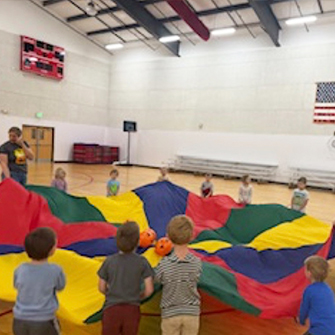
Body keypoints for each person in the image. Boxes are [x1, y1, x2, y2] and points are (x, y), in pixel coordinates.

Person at [97, 221, 154, 335]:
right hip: (132, 309)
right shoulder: (142, 262)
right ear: (138, 241)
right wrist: (139, 296)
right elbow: (149, 290)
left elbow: (101, 287)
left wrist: (110, 293)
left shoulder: (109, 261)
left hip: (111, 309)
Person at [13, 227, 66, 335]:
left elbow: (16, 285)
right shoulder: (55, 270)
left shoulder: (20, 269)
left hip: (19, 320)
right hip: (44, 320)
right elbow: (61, 286)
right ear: (51, 250)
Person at [155, 215, 202, 335]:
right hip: (191, 314)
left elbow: (157, 279)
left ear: (168, 236)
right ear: (192, 236)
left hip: (171, 314)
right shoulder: (196, 263)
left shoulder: (164, 264)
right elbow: (196, 277)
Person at [299, 255, 335, 335]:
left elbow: (304, 310)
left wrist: (301, 321)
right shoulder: (328, 289)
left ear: (309, 273)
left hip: (318, 330)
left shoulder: (309, 290)